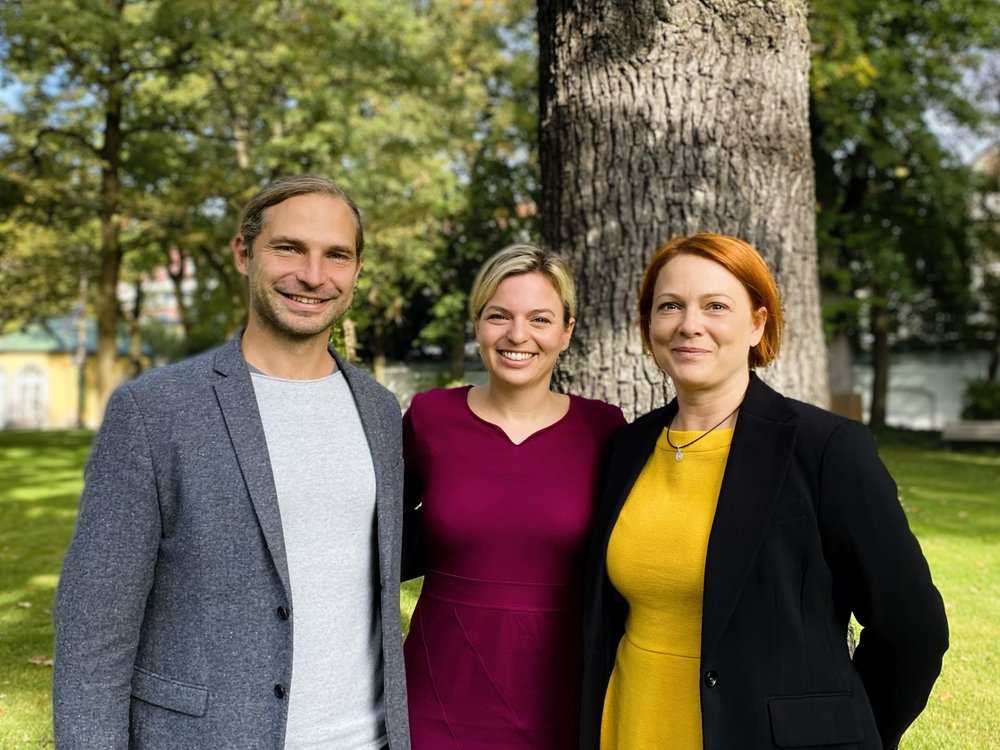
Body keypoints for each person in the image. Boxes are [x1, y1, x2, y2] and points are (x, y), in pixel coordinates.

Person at [53, 175, 409, 750]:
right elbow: (93, 632)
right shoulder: (155, 410)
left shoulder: (380, 411)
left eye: (336, 255)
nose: (313, 275)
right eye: (289, 248)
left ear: (356, 269)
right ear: (244, 254)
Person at [580, 233, 948, 750]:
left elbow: (913, 630)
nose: (690, 324)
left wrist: (844, 729)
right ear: (649, 325)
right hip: (631, 726)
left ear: (757, 323)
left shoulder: (825, 448)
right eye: (670, 306)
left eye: (716, 306)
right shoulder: (627, 447)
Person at [401, 245, 625, 749]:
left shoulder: (604, 429)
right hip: (438, 700)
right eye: (499, 316)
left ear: (566, 331)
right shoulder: (431, 417)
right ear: (478, 324)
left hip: (565, 701)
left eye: (540, 319)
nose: (517, 335)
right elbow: (373, 536)